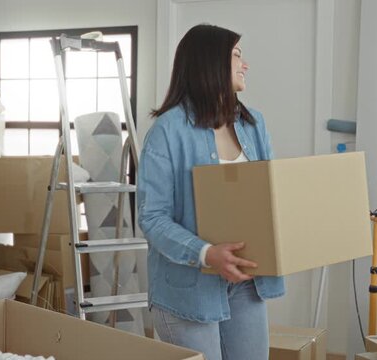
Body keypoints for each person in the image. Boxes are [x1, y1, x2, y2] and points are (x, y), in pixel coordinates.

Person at [137, 24, 285, 360]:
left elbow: (271, 195)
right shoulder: (167, 131)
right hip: (187, 289)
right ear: (210, 62)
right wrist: (206, 253)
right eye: (236, 55)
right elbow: (152, 216)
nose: (244, 65)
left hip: (247, 282)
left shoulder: (254, 124)